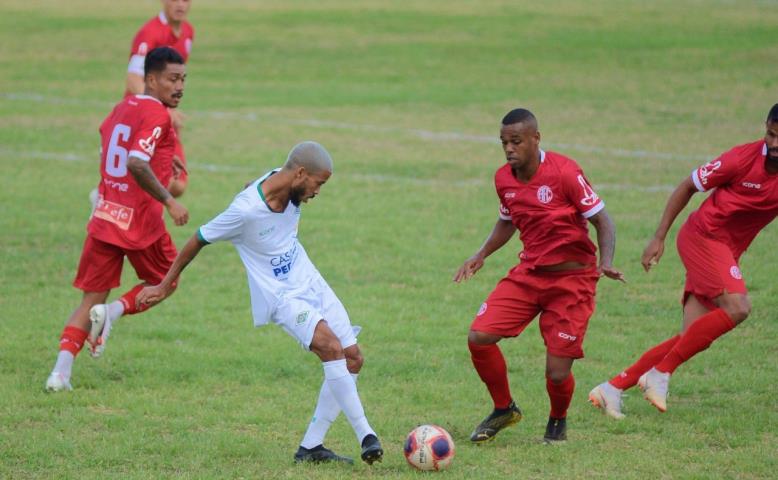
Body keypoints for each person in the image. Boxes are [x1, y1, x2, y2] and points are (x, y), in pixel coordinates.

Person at [135, 142, 384, 465]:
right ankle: (367, 435)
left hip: (311, 281)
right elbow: (198, 238)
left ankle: (310, 448)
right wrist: (164, 285)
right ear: (301, 173)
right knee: (331, 348)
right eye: (318, 184)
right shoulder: (244, 211)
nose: (318, 192)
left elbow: (262, 183)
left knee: (353, 358)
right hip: (281, 296)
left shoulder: (284, 184)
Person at [589, 104, 778, 418]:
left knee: (691, 338)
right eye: (771, 134)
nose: (773, 144)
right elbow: (688, 186)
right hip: (704, 237)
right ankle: (659, 374)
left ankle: (612, 388)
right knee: (739, 307)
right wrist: (659, 236)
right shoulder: (741, 159)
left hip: (727, 251)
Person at [453, 108, 624, 443]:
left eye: (516, 141)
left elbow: (603, 220)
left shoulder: (565, 173)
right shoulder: (503, 179)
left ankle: (557, 420)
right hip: (529, 275)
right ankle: (504, 408)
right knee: (479, 337)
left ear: (536, 138)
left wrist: (606, 261)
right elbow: (508, 219)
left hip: (572, 282)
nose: (509, 149)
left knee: (557, 373)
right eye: (504, 142)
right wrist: (481, 254)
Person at [45, 47, 189, 392]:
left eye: (183, 78)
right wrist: (169, 201)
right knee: (167, 281)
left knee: (89, 299)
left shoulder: (123, 107)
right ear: (151, 80)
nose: (180, 86)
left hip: (106, 215)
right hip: (140, 222)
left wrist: (160, 163)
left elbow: (110, 141)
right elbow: (137, 162)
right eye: (172, 79)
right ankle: (113, 313)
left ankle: (59, 374)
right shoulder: (158, 116)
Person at [125, 0, 194, 198]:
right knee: (159, 180)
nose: (180, 5)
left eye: (186, 0)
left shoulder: (188, 32)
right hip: (142, 117)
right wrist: (161, 109)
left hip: (165, 118)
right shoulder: (150, 33)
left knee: (178, 184)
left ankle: (107, 196)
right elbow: (132, 78)